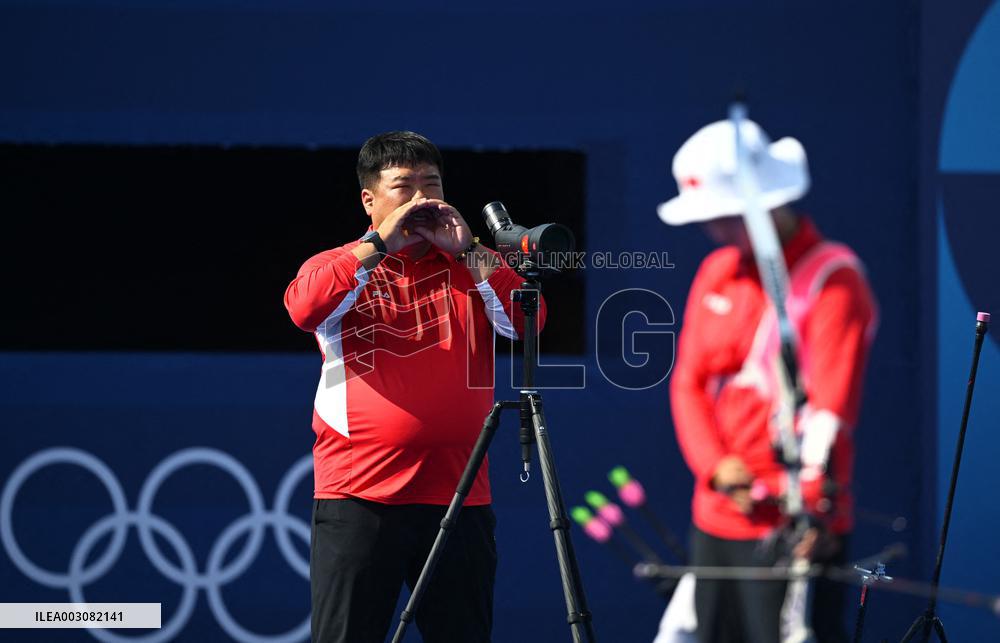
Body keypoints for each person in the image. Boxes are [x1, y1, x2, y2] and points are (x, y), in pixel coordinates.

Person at [284, 131, 546, 643]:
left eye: (432, 184)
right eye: (404, 187)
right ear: (369, 199)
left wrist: (469, 248)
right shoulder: (338, 264)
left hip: (459, 498)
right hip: (360, 498)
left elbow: (527, 323)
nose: (422, 198)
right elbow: (304, 307)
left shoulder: (471, 265)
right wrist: (378, 244)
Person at [658, 119, 878, 642]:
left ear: (767, 204)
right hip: (716, 513)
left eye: (725, 216)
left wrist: (812, 509)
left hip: (792, 526)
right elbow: (687, 381)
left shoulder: (834, 279)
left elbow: (831, 410)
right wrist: (715, 467)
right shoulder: (717, 268)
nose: (715, 230)